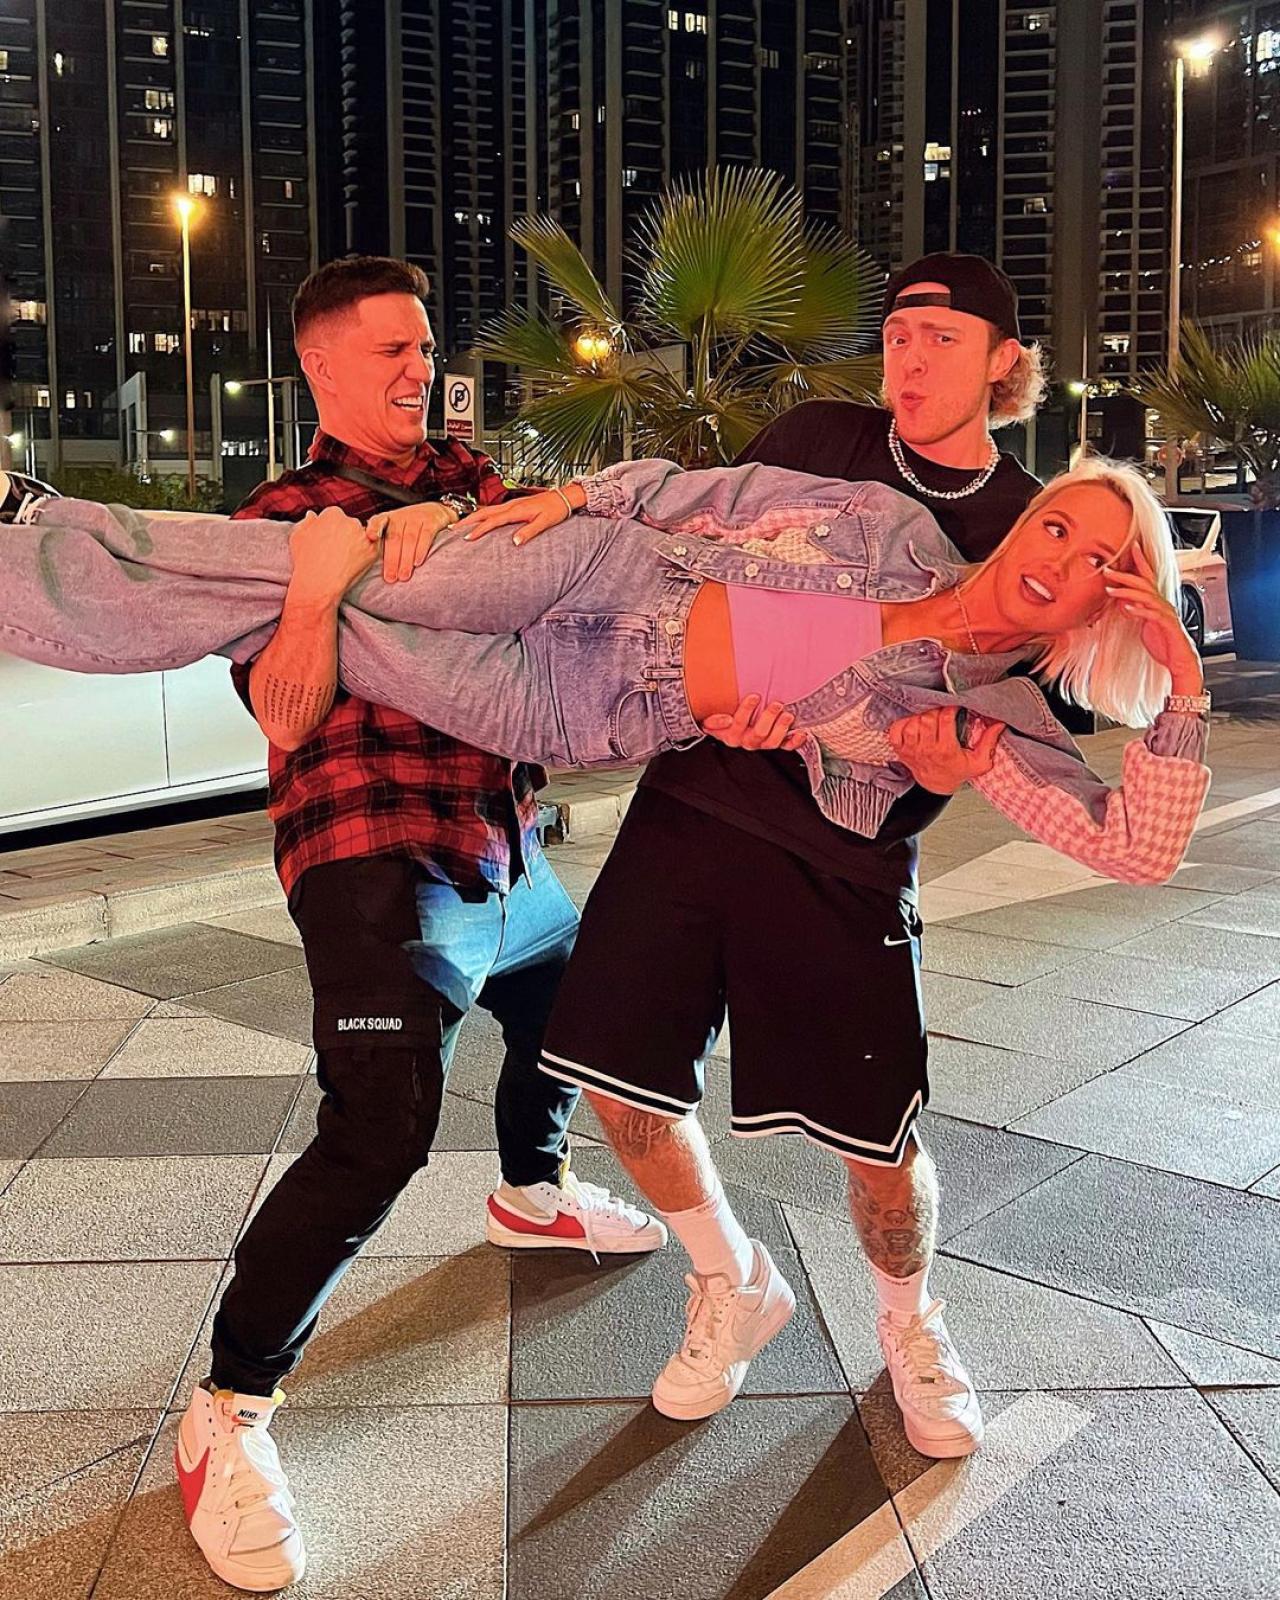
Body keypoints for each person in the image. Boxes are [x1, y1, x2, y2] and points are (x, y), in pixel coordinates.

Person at [61, 254, 663, 1595]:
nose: (418, 368)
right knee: (380, 1127)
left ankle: (534, 1192)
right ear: (320, 366)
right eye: (390, 348)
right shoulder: (279, 519)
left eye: (426, 345)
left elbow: (561, 610)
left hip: (506, 839)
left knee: (570, 1013)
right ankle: (229, 1407)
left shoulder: (479, 486)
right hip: (372, 853)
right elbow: (284, 718)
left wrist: (463, 533)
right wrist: (317, 585)